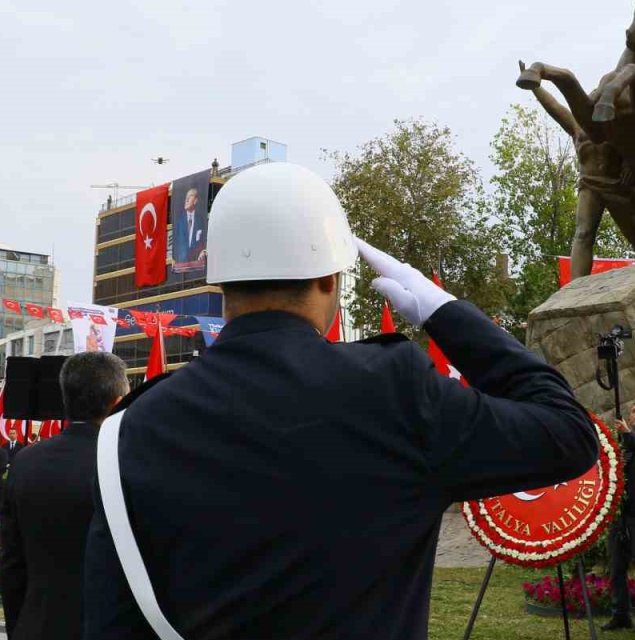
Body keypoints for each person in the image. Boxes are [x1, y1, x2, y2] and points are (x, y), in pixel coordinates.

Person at [83, 163, 599, 639]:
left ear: (220, 281)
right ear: (329, 278)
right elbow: (567, 432)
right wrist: (445, 313)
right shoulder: (394, 391)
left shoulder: (131, 429)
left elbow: (111, 623)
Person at [0, 352, 129, 640]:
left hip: (37, 626)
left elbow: (12, 563)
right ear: (118, 402)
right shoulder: (129, 459)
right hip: (108, 627)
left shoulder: (25, 461)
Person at [605, 400, 635, 634]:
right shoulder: (622, 444)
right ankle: (620, 614)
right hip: (619, 514)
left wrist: (628, 434)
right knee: (616, 567)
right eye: (634, 411)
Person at [171, 186, 208, 264]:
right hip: (182, 266)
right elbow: (174, 246)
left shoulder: (201, 221)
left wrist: (204, 251)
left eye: (190, 196)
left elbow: (206, 241)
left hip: (198, 264)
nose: (186, 199)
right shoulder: (179, 223)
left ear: (195, 201)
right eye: (186, 197)